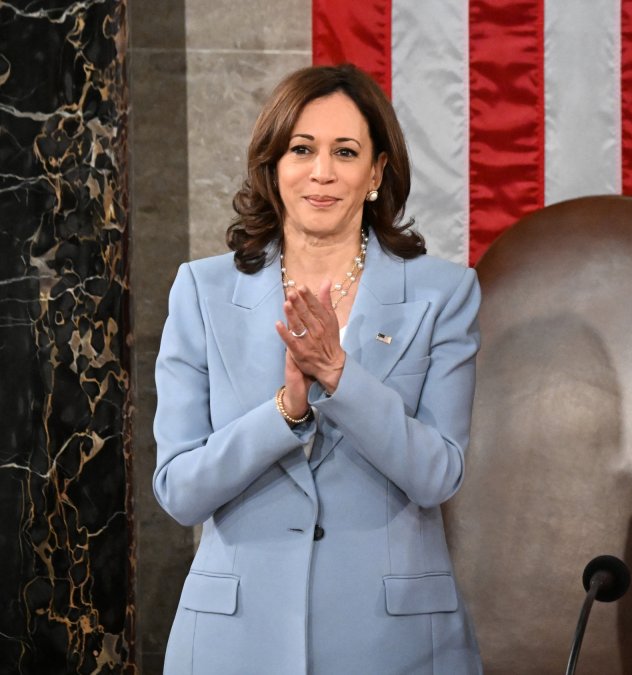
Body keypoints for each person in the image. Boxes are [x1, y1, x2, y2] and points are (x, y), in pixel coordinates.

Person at [153, 64, 482, 674]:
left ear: (377, 171)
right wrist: (286, 412)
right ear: (273, 166)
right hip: (236, 640)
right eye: (302, 149)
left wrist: (340, 377)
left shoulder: (445, 293)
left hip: (395, 644)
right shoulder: (200, 290)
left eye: (346, 151)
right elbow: (179, 490)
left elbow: (439, 475)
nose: (322, 172)